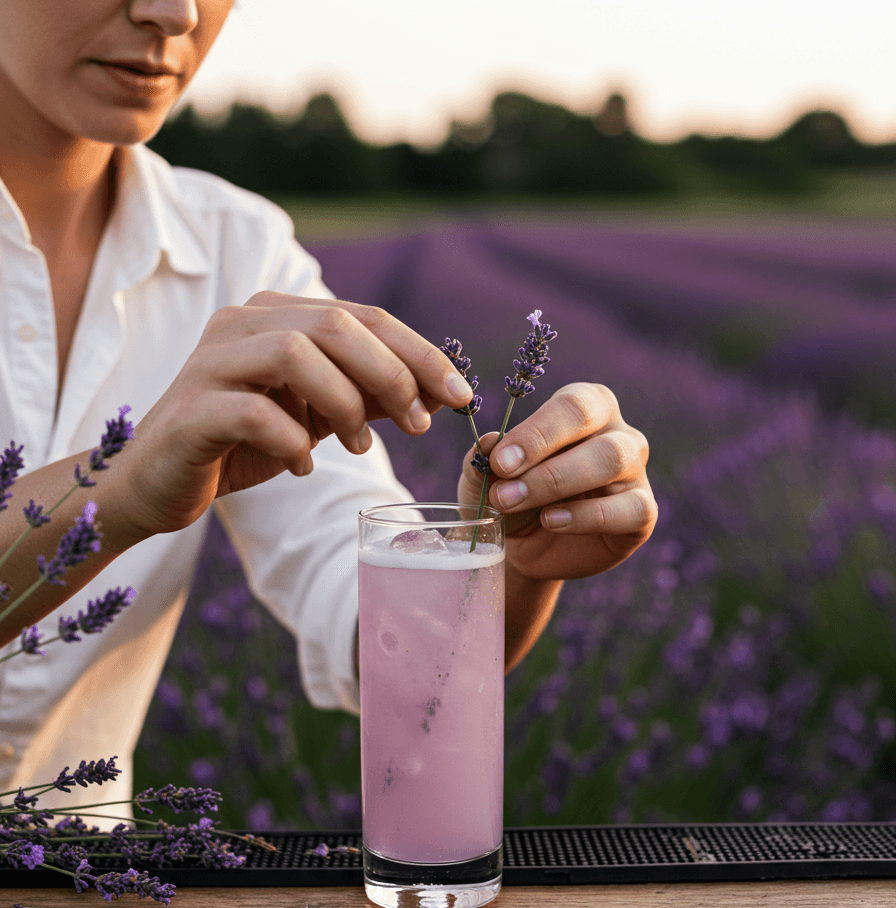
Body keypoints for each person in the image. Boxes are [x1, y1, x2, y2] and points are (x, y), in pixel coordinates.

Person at [0, 0, 657, 817]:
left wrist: (502, 566)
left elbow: (391, 659)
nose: (173, 12)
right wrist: (121, 493)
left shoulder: (237, 249)